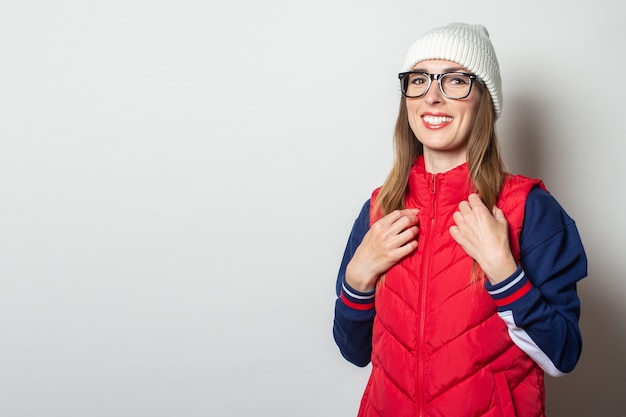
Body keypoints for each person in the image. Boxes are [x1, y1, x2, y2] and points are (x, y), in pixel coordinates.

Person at [332, 22, 587, 417]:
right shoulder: (381, 209)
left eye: (454, 81)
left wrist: (505, 273)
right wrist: (356, 281)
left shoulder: (528, 208)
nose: (432, 96)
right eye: (419, 80)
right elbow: (354, 351)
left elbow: (563, 356)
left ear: (484, 99)